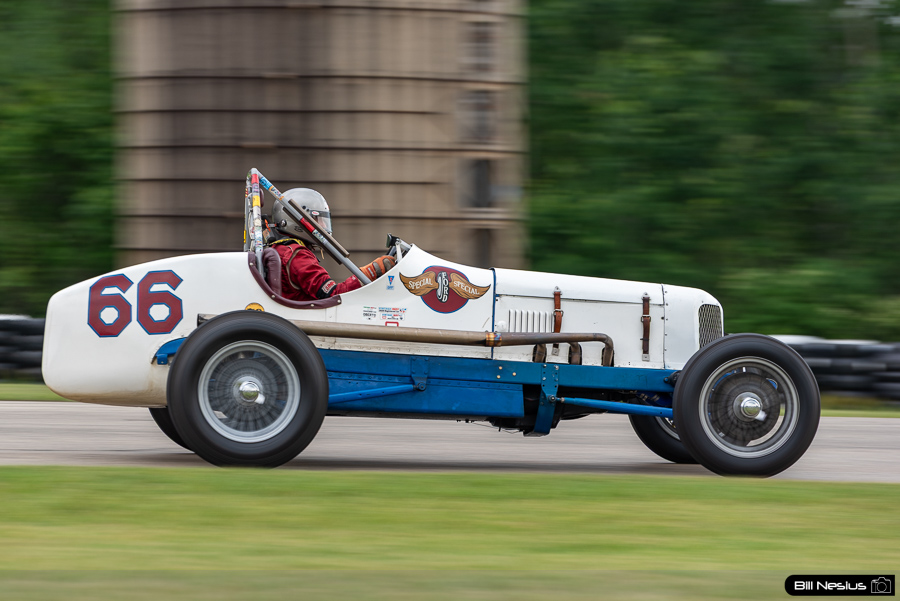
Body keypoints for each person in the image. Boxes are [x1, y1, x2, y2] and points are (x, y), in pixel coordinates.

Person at [264, 188, 395, 302]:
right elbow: (333, 295)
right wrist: (371, 271)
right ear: (297, 222)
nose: (324, 226)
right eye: (318, 220)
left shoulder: (282, 249)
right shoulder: (298, 256)